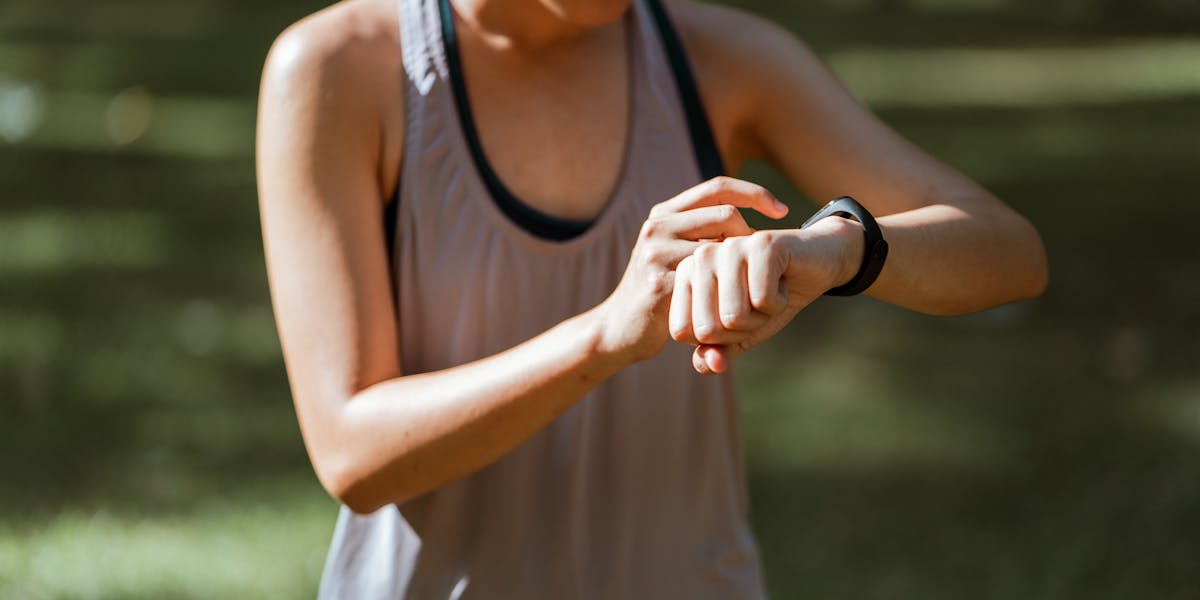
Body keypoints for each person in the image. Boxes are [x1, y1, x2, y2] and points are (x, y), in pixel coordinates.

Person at [256, 0, 1047, 596]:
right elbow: (352, 453)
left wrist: (839, 247)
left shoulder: (717, 58)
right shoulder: (339, 69)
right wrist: (607, 333)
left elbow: (1008, 251)